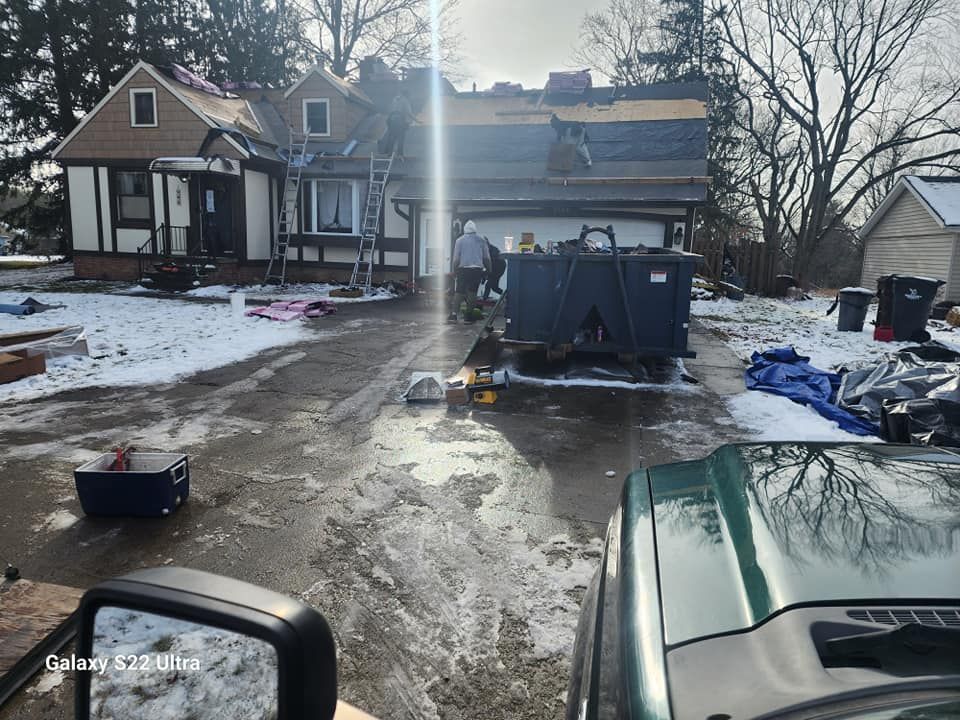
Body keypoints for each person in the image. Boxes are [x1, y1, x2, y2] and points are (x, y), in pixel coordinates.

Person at [448, 220, 491, 323]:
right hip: (476, 270)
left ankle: (453, 315)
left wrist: (454, 270)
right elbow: (486, 258)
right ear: (475, 229)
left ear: (464, 230)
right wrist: (489, 269)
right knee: (472, 292)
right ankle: (468, 316)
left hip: (463, 270)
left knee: (459, 291)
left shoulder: (459, 241)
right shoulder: (481, 240)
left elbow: (456, 259)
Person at [379, 91, 415, 160]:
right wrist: (417, 120)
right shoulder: (405, 100)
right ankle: (400, 154)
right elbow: (409, 113)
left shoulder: (395, 100)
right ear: (407, 95)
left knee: (392, 138)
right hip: (399, 121)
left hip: (391, 120)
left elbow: (390, 110)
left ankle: (389, 154)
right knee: (401, 138)